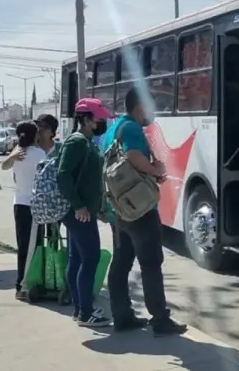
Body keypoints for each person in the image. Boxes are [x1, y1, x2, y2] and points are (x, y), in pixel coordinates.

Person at [104, 87, 187, 336]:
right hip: (140, 209)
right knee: (151, 263)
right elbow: (133, 155)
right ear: (139, 105)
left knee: (121, 262)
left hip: (119, 208)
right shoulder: (131, 128)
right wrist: (155, 171)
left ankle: (122, 316)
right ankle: (160, 319)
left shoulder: (113, 129)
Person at [57, 98, 112, 327]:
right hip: (79, 212)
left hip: (82, 210)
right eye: (98, 118)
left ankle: (80, 309)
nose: (102, 122)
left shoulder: (86, 141)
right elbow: (63, 175)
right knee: (89, 259)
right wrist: (79, 205)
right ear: (87, 119)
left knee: (78, 258)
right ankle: (85, 312)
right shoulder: (77, 142)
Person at [5, 121, 47, 300]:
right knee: (32, 246)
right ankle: (23, 285)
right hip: (34, 204)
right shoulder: (38, 153)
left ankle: (25, 283)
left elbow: (9, 170)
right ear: (35, 135)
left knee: (24, 245)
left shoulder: (16, 152)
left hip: (19, 203)